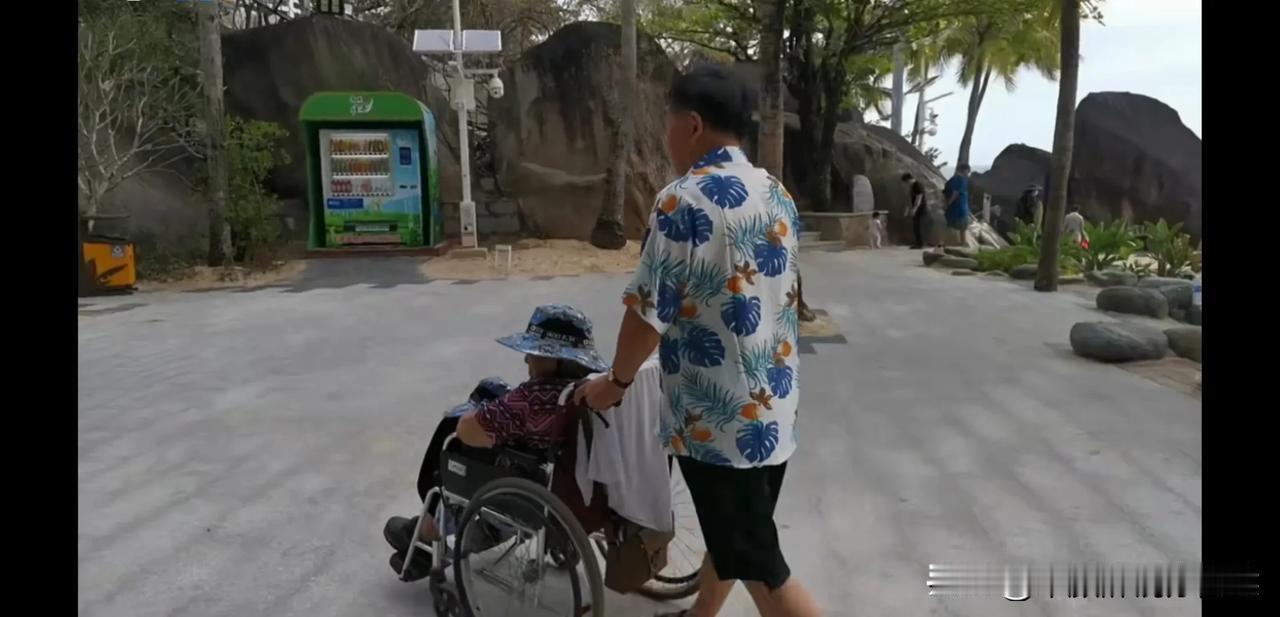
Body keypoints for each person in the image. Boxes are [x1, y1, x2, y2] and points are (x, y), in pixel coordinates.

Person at [575, 64, 821, 617]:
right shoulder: (776, 195)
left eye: (667, 123)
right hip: (773, 412)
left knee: (763, 568)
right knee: (735, 538)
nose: (665, 137)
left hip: (718, 425)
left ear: (691, 125)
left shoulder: (681, 201)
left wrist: (616, 383)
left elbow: (647, 312)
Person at [381, 304, 608, 580]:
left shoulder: (531, 400)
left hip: (529, 487)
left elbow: (467, 431)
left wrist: (476, 414)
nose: (527, 360)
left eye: (535, 353)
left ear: (557, 361)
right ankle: (445, 525)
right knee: (492, 389)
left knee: (454, 430)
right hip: (576, 481)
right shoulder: (597, 390)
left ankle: (429, 528)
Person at [943, 164, 973, 246]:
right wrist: (949, 203)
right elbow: (955, 193)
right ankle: (963, 243)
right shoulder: (962, 180)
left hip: (952, 208)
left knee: (949, 225)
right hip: (960, 208)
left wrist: (946, 204)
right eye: (968, 171)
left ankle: (945, 243)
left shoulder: (950, 180)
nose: (968, 173)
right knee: (963, 227)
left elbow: (944, 193)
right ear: (964, 170)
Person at [901, 172, 928, 249]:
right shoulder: (913, 186)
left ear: (908, 180)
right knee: (916, 226)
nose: (906, 184)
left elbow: (919, 198)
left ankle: (920, 244)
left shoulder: (917, 185)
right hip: (917, 208)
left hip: (920, 209)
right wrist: (909, 209)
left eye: (906, 182)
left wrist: (914, 209)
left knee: (918, 226)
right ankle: (918, 242)